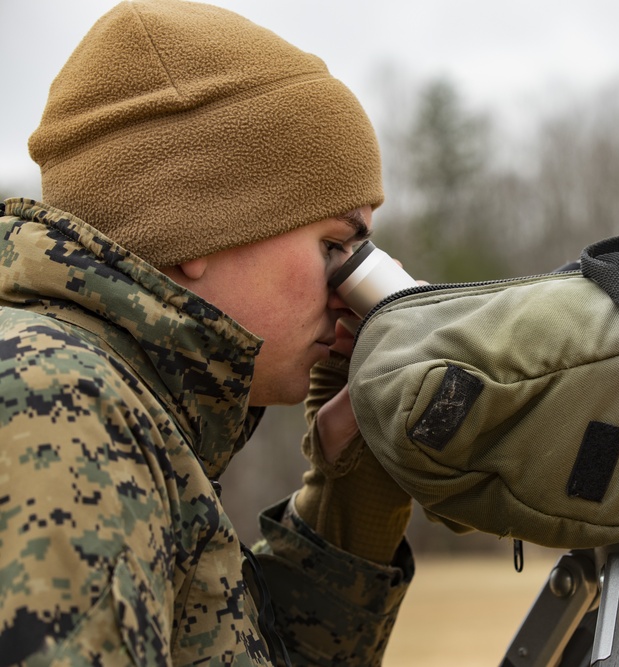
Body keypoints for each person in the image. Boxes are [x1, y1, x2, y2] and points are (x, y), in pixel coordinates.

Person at [0, 1, 414, 664]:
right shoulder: (55, 400)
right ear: (197, 231)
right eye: (337, 245)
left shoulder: (125, 408)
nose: (348, 296)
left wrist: (355, 489)